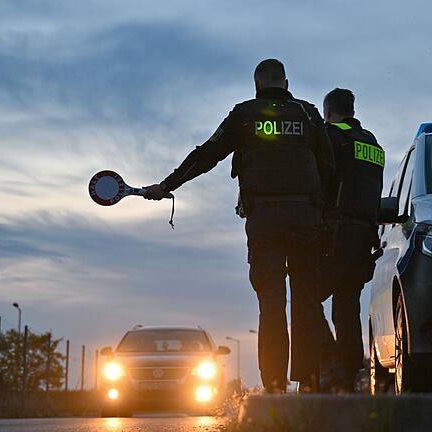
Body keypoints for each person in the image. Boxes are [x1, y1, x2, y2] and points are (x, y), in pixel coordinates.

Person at [143, 59, 335, 392]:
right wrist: (322, 212)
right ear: (285, 83)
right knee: (306, 300)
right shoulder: (308, 114)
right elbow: (328, 165)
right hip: (307, 217)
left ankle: (273, 387)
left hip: (264, 220)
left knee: (271, 302)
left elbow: (207, 155)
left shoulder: (245, 114)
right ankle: (310, 383)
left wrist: (168, 185)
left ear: (257, 85)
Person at [321, 88, 384, 391]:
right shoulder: (373, 143)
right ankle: (347, 377)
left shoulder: (331, 137)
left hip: (336, 233)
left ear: (328, 111)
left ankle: (330, 369)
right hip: (364, 238)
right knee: (347, 309)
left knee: (309, 298)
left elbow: (322, 183)